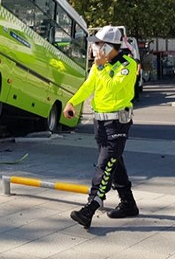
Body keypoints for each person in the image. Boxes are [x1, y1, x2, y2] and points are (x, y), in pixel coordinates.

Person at [63, 26, 139, 229]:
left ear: (110, 46)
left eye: (99, 44)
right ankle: (128, 204)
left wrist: (101, 67)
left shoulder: (128, 65)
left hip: (118, 123)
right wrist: (72, 102)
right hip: (100, 123)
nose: (95, 48)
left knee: (105, 165)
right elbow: (88, 86)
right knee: (115, 162)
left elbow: (114, 86)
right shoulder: (99, 66)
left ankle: (90, 207)